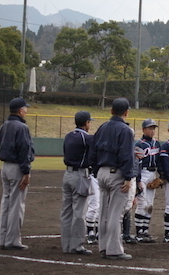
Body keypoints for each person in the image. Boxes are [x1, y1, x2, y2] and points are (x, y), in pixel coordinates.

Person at [88, 98, 135, 260]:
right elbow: (126, 156)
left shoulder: (102, 127)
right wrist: (128, 177)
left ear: (111, 111)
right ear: (127, 112)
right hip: (117, 174)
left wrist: (96, 171)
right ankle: (114, 250)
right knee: (115, 214)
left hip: (101, 173)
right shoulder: (126, 130)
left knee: (103, 213)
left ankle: (103, 247)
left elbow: (92, 152)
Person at [0, 97, 35, 251]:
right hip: (17, 168)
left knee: (6, 203)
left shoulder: (4, 125)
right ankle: (12, 240)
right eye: (25, 108)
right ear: (20, 111)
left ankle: (3, 238)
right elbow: (24, 150)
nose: (26, 110)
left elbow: (1, 142)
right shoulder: (21, 127)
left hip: (5, 167)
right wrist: (26, 172)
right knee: (16, 204)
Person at [60, 110, 94, 255]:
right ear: (86, 123)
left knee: (66, 212)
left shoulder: (68, 136)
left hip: (67, 174)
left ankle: (66, 245)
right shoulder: (87, 138)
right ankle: (76, 246)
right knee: (79, 212)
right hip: (80, 175)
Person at [134, 119, 160, 243]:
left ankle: (145, 231)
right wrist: (138, 180)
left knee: (150, 205)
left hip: (152, 173)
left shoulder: (157, 143)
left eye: (154, 128)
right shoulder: (139, 144)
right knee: (142, 203)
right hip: (143, 173)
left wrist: (161, 176)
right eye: (150, 128)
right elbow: (136, 163)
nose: (152, 130)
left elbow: (159, 161)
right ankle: (139, 232)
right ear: (144, 129)